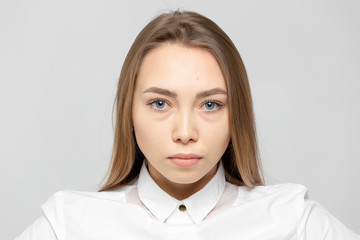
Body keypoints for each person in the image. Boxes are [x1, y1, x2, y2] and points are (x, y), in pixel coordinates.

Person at [16, 10, 359, 240]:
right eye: (160, 103)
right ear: (130, 115)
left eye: (210, 104)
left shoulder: (294, 221)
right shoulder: (67, 224)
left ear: (235, 114)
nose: (184, 133)